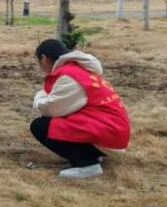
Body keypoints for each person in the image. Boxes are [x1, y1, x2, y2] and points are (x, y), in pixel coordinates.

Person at [30, 39, 131, 179]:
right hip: (114, 130)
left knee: (41, 126)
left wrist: (39, 97)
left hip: (110, 134)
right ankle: (90, 154)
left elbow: (52, 109)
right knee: (53, 121)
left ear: (44, 58)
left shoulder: (69, 75)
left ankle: (87, 164)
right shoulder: (79, 70)